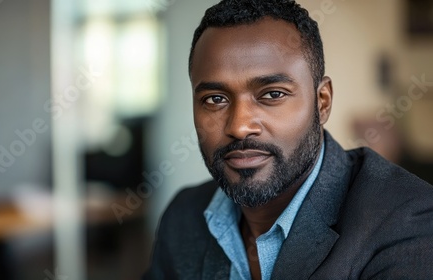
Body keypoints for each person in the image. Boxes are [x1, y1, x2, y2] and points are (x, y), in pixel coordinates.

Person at [144, 0, 433, 279]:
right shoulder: (184, 215)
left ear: (322, 102)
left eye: (272, 94)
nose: (240, 127)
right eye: (215, 99)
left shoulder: (405, 220)